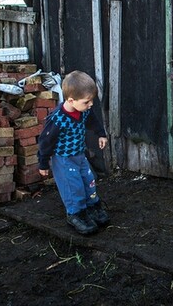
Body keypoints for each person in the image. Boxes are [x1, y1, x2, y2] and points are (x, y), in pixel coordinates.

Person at [38, 70, 110, 235]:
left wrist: (101, 134)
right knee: (73, 186)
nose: (90, 105)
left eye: (91, 101)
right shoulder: (57, 119)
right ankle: (76, 214)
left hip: (79, 155)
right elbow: (45, 142)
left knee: (88, 180)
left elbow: (92, 120)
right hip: (64, 160)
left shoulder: (83, 110)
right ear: (71, 100)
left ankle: (92, 207)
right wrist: (43, 162)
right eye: (87, 102)